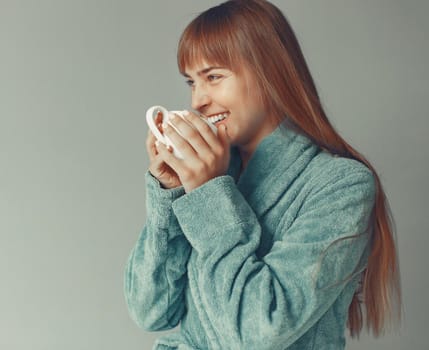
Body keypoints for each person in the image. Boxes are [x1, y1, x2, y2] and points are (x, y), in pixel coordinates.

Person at [124, 0, 401, 349]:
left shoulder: (343, 185)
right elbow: (150, 311)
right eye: (192, 82)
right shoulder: (216, 174)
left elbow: (259, 330)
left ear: (270, 73)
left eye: (213, 77)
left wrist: (208, 191)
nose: (198, 101)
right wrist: (171, 192)